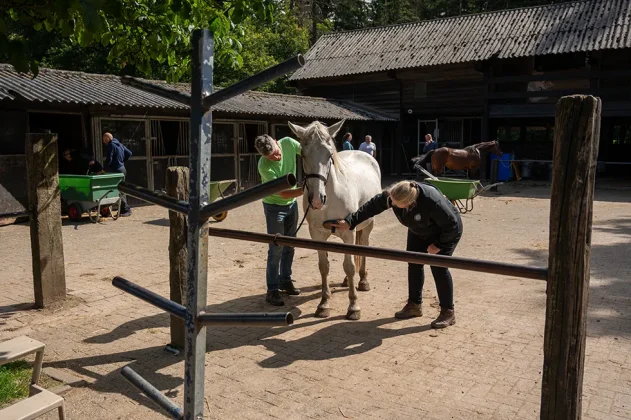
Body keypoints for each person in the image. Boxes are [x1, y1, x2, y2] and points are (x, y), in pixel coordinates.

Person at [332, 180, 463, 329]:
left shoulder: (432, 202)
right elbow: (373, 206)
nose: (391, 205)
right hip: (419, 230)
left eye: (395, 204)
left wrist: (439, 245)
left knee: (439, 268)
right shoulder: (395, 195)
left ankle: (448, 312)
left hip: (446, 232)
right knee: (413, 263)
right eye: (391, 201)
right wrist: (350, 221)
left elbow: (452, 225)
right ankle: (415, 305)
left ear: (409, 204)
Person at [256, 133, 304, 306]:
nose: (276, 157)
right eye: (271, 157)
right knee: (276, 248)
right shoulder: (264, 165)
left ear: (277, 142)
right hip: (275, 207)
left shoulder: (289, 143)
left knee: (290, 244)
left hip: (292, 205)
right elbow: (283, 193)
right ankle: (272, 289)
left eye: (276, 153)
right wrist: (303, 190)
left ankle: (285, 279)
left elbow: (306, 151)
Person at [102, 132, 132, 217]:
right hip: (122, 169)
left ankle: (126, 209)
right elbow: (129, 153)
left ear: (108, 139)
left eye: (104, 140)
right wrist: (122, 162)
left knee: (117, 190)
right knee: (122, 189)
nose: (104, 142)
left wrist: (104, 169)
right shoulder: (120, 144)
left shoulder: (111, 145)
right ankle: (123, 209)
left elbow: (109, 158)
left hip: (115, 171)